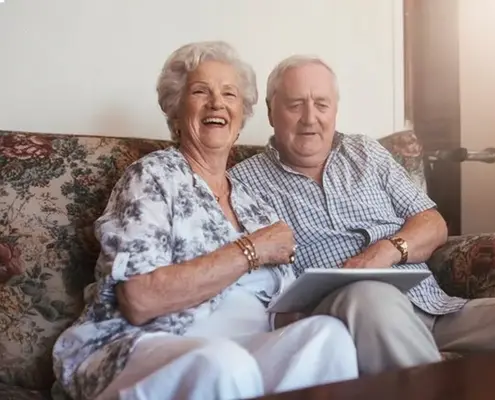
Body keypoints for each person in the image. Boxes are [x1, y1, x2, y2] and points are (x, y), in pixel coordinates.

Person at [229, 54, 495, 376]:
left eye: (322, 104)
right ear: (270, 110)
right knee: (370, 297)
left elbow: (432, 223)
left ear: (335, 109)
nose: (311, 118)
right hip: (350, 313)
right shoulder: (241, 183)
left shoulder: (365, 152)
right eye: (296, 104)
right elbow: (250, 280)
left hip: (434, 307)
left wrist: (388, 251)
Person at [52, 43, 359, 400]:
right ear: (176, 111)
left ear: (241, 115)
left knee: (327, 337)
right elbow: (139, 299)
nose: (217, 103)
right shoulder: (153, 177)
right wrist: (250, 250)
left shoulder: (254, 203)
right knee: (225, 364)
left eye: (229, 94)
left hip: (244, 346)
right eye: (201, 92)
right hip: (149, 345)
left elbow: (283, 310)